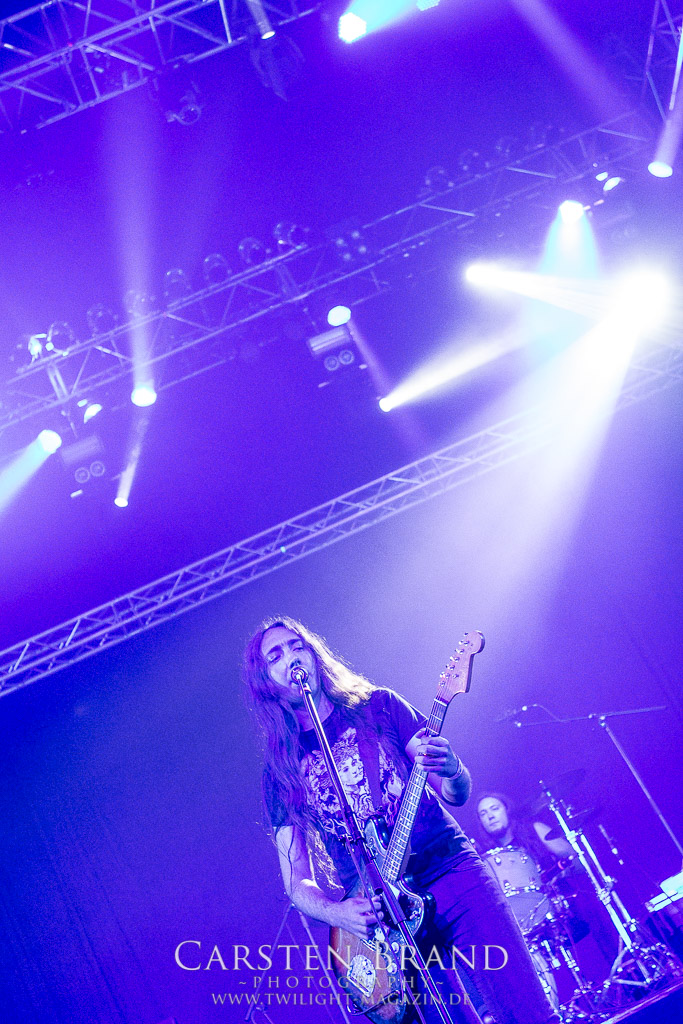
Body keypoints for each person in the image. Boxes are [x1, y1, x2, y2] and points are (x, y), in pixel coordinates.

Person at [243, 617, 561, 1024]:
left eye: (297, 645)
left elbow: (456, 793)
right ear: (265, 682)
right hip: (384, 917)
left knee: (527, 1009)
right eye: (276, 655)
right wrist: (339, 914)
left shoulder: (378, 707)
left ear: (314, 654)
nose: (292, 657)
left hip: (450, 871)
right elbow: (296, 880)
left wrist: (453, 768)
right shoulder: (281, 771)